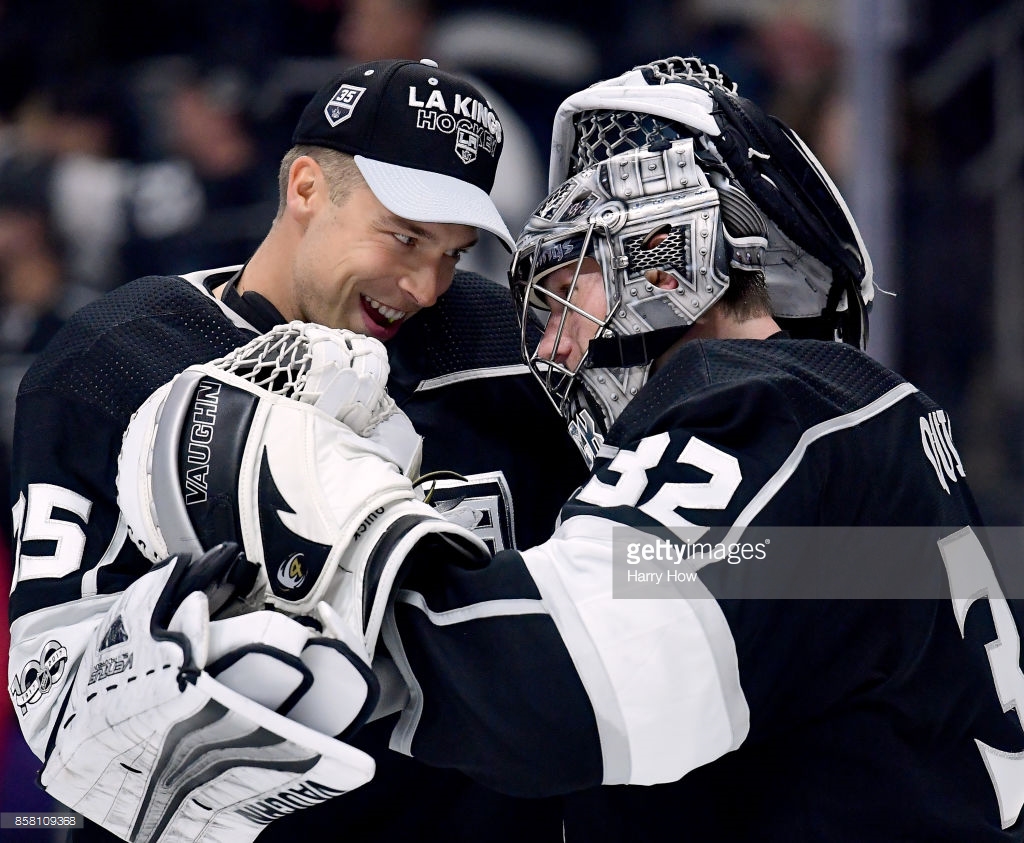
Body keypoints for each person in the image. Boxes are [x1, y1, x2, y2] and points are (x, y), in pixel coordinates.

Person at [121, 55, 1024, 840]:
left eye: (566, 285)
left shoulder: (763, 404)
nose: (550, 346)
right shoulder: (850, 427)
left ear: (669, 255)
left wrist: (332, 512)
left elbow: (566, 693)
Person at [6, 58, 583, 841]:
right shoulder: (115, 361)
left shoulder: (506, 344)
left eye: (450, 252)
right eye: (405, 237)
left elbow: (684, 557)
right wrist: (174, 666)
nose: (424, 285)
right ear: (306, 188)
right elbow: (50, 691)